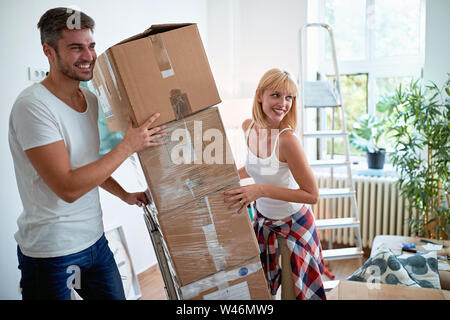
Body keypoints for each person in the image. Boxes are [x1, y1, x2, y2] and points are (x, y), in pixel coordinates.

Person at [8, 7, 167, 300]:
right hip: (51, 253)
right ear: (49, 52)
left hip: (95, 242)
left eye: (91, 45)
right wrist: (129, 145)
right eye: (75, 48)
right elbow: (68, 187)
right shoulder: (33, 106)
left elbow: (87, 166)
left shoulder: (91, 99)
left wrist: (125, 195)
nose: (89, 55)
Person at [224, 68, 326, 300]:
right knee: (263, 291)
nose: (283, 103)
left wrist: (260, 190)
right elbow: (256, 168)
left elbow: (312, 195)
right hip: (263, 221)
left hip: (294, 226)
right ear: (259, 95)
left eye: (289, 97)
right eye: (276, 95)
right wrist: (224, 180)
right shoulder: (248, 127)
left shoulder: (288, 140)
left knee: (293, 294)